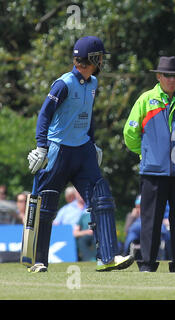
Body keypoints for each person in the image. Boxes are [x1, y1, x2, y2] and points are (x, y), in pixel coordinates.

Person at [26, 36, 134, 272]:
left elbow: (88, 115)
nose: (103, 61)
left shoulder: (93, 83)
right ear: (92, 58)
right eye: (100, 57)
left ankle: (106, 257)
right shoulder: (63, 84)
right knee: (46, 205)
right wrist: (41, 146)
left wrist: (92, 144)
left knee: (101, 197)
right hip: (58, 149)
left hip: (83, 149)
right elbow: (45, 115)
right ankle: (38, 261)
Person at [123, 56, 175, 272]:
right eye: (167, 75)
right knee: (151, 221)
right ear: (158, 76)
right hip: (153, 171)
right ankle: (147, 264)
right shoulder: (146, 99)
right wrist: (146, 153)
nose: (172, 79)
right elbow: (130, 133)